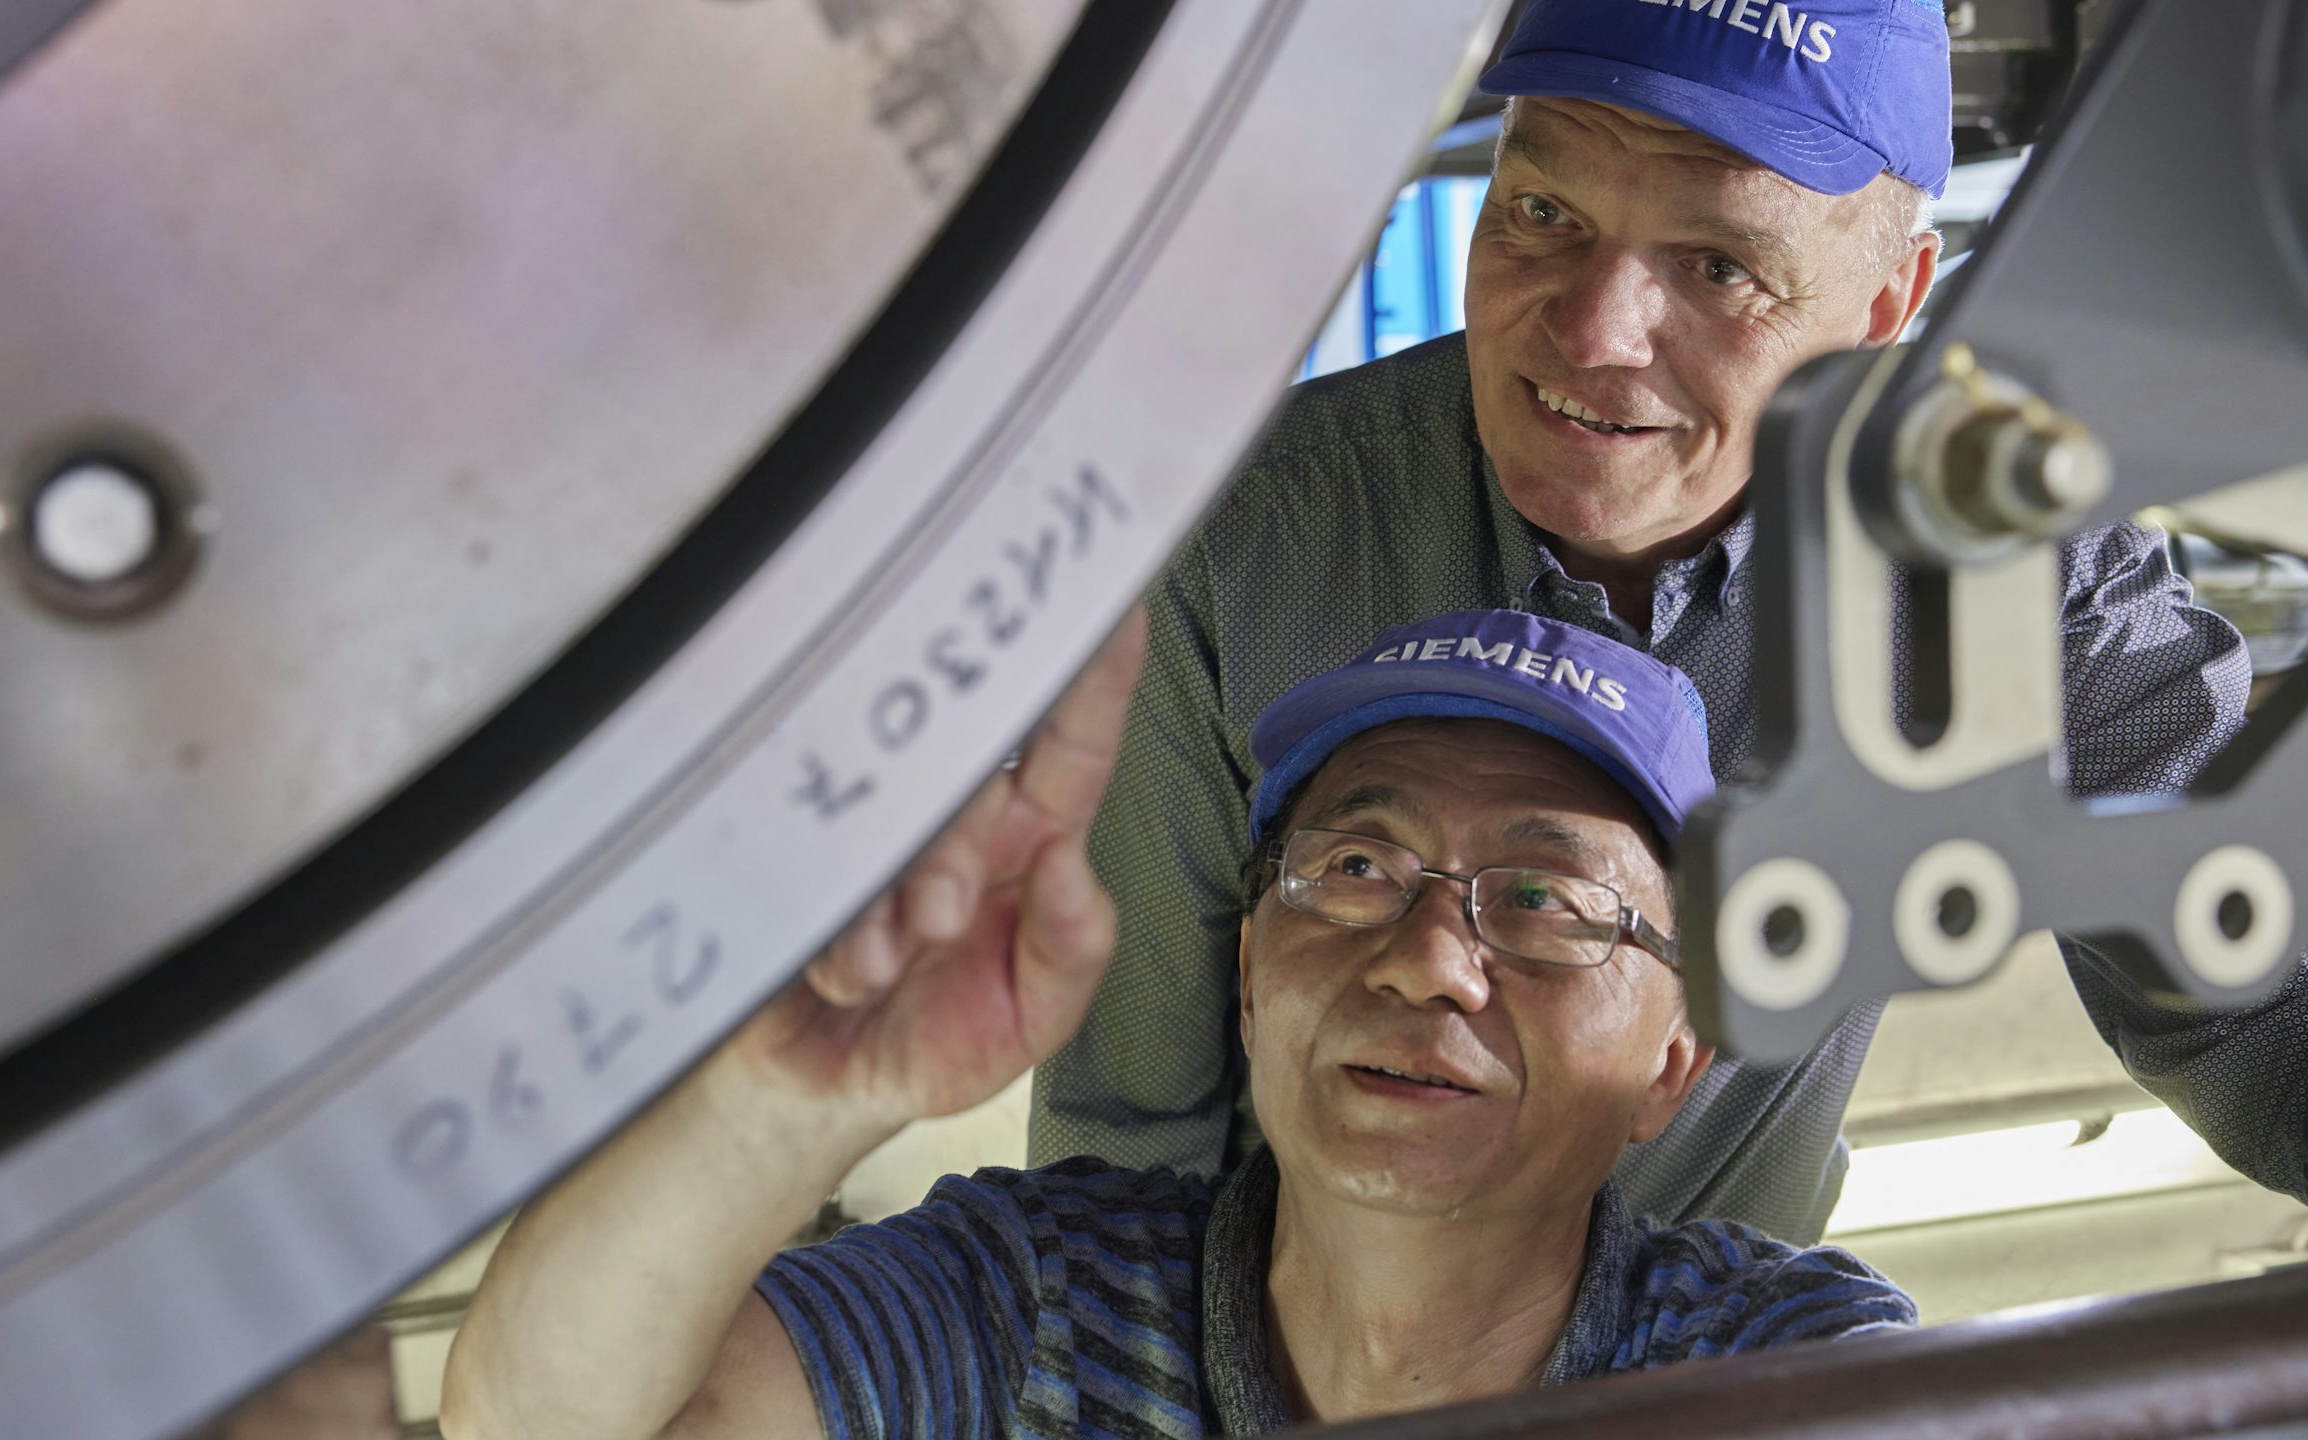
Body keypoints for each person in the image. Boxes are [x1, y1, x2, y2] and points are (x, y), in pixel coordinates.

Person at [1031, 0, 2275, 1242]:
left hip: (1725, 1375)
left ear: (1889, 303)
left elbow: (2253, 998)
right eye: (1542, 214)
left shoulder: (2004, 568)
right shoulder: (1245, 541)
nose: (1589, 333)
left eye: (1718, 265)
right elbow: (1127, 1143)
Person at [438, 610, 1914, 1440]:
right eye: (1356, 869)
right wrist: (796, 1090)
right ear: (1252, 970)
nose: (1429, 963)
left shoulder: (1781, 1370)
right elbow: (542, 1426)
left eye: (1540, 901)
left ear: (1674, 1062)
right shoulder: (1038, 1303)